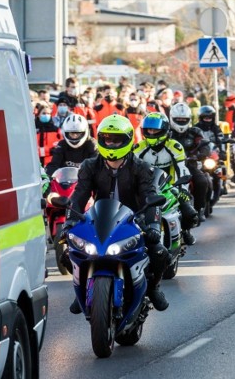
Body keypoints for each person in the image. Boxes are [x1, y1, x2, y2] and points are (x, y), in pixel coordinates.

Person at [62, 115, 170, 313]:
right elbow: (79, 196)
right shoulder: (89, 166)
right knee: (67, 252)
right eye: (107, 139)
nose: (111, 143)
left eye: (117, 139)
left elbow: (150, 197)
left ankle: (153, 288)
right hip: (99, 220)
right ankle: (83, 288)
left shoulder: (141, 167)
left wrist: (153, 226)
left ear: (128, 139)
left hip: (133, 220)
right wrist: (69, 222)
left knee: (160, 252)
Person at [133, 112, 200, 245]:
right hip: (146, 187)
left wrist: (183, 189)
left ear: (164, 130)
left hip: (170, 186)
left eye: (155, 130)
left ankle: (185, 231)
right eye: (149, 130)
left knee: (190, 212)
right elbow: (132, 170)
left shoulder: (174, 146)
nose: (152, 133)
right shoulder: (139, 148)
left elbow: (181, 169)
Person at [168, 102, 211, 222]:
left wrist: (200, 155)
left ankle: (199, 209)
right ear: (171, 118)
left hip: (189, 164)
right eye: (178, 119)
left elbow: (204, 145)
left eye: (184, 119)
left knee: (202, 181)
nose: (181, 122)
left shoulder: (195, 132)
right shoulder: (167, 131)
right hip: (169, 164)